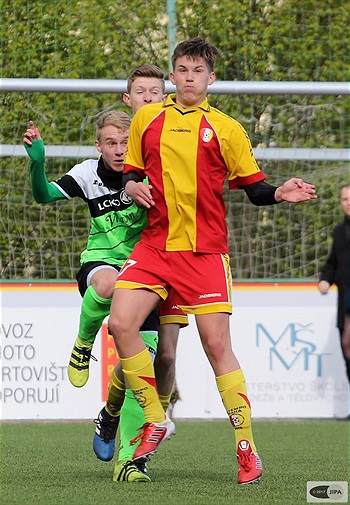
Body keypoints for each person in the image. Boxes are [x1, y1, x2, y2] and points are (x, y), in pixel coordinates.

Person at [105, 38, 318, 485]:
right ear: (172, 74)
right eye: (181, 69)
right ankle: (154, 418)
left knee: (217, 347)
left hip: (204, 254)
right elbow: (132, 171)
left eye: (196, 71)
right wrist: (130, 187)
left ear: (210, 78)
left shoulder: (226, 129)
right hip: (155, 246)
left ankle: (246, 449)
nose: (188, 77)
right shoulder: (148, 117)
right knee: (120, 324)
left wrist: (279, 192)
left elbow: (254, 187)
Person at [23, 104, 186, 483]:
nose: (117, 149)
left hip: (146, 275)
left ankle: (125, 458)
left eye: (124, 143)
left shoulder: (150, 173)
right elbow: (44, 196)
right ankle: (83, 343)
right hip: (100, 265)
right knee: (109, 283)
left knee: (141, 369)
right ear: (98, 146)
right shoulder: (86, 173)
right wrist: (37, 162)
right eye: (110, 142)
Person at [318, 184, 350, 399]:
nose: (349, 203)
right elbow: (332, 263)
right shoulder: (339, 232)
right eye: (345, 199)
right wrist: (325, 280)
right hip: (346, 298)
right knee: (346, 344)